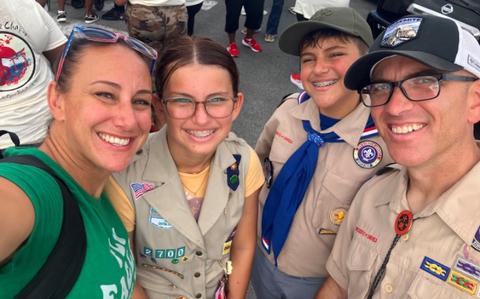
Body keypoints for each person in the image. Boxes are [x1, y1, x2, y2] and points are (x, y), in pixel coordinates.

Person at [317, 14, 480, 299]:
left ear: (475, 101)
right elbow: (337, 286)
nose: (393, 107)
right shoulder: (373, 192)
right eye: (381, 87)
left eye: (424, 81)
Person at [0, 24, 157, 297]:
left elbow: (126, 285)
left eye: (140, 101)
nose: (128, 119)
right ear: (56, 100)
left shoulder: (99, 190)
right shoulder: (32, 191)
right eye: (105, 94)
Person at [251, 7, 393, 299]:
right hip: (260, 257)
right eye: (308, 59)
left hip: (319, 281)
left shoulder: (385, 143)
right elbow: (255, 170)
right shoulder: (288, 111)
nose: (318, 68)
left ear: (365, 64)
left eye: (335, 54)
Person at [110, 36, 265, 298]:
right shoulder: (125, 173)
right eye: (182, 101)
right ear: (159, 107)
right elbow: (121, 267)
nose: (201, 118)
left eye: (216, 100)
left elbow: (243, 246)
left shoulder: (244, 161)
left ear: (236, 104)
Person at [0, 0, 66, 149]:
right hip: (50, 132)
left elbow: (63, 60)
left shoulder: (24, 6)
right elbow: (64, 62)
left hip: (49, 130)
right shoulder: (24, 5)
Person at [123, 0, 187, 56]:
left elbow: (119, 2)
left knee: (144, 54)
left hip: (142, 10)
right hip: (177, 9)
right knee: (175, 54)